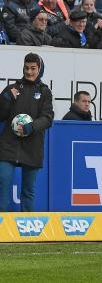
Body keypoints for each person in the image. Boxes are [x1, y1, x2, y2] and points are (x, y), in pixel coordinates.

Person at [0, 53, 54, 212]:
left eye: (33, 68)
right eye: (26, 68)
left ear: (40, 69)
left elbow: (48, 118)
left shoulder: (45, 92)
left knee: (28, 191)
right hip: (8, 145)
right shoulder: (12, 89)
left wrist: (32, 126)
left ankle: (26, 230)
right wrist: (4, 99)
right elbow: (1, 115)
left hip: (32, 147)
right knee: (2, 181)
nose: (29, 72)